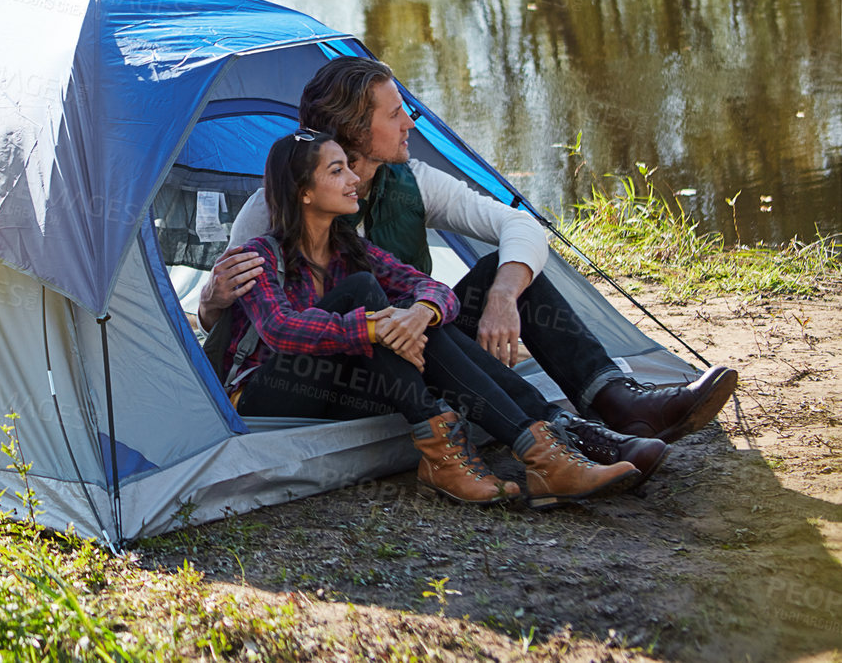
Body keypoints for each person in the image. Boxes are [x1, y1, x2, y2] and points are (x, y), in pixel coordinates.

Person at [202, 55, 740, 482]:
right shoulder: (270, 212)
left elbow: (521, 226)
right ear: (353, 130)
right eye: (394, 113)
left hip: (414, 346)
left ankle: (615, 403)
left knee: (498, 274)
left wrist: (499, 295)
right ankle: (559, 436)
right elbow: (244, 326)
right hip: (336, 372)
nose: (409, 120)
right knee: (376, 295)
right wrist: (212, 300)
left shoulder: (411, 182)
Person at [219, 129, 641, 508]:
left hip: (340, 393)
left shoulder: (349, 248)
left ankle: (537, 453)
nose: (353, 179)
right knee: (367, 295)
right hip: (269, 396)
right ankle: (502, 450)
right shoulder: (260, 255)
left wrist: (418, 316)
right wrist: (374, 326)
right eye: (337, 171)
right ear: (304, 192)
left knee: (417, 318)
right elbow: (281, 330)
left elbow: (432, 289)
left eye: (351, 167)